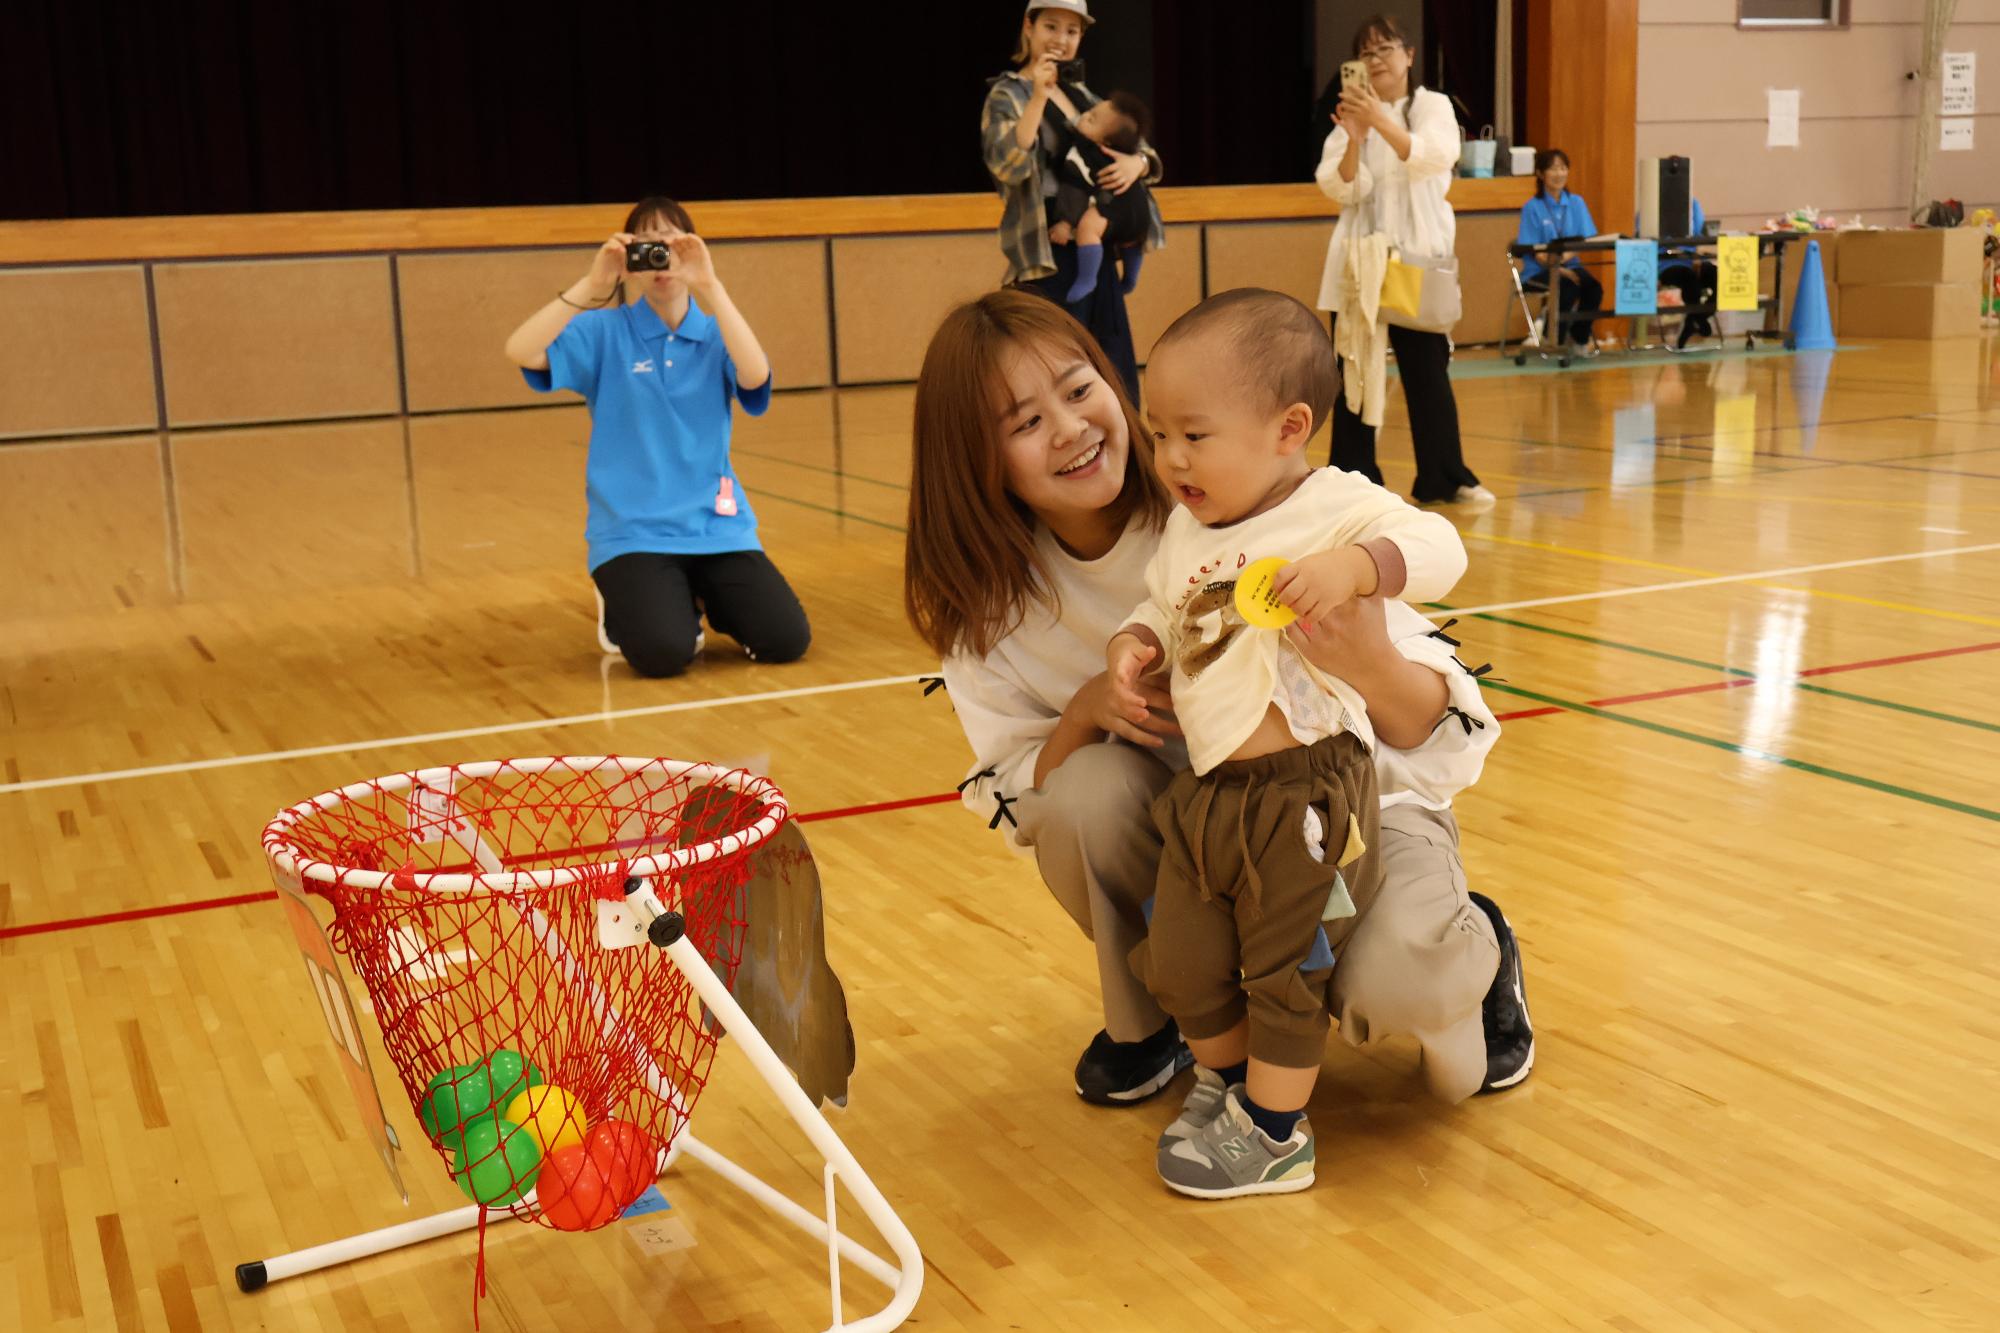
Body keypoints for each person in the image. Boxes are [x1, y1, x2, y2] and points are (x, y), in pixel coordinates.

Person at [903, 288, 1533, 1139]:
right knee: (1084, 794)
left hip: (1350, 811)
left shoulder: (1237, 491)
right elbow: (1033, 796)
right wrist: (1088, 710)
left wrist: (1368, 657)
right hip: (1206, 840)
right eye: (1023, 421)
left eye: (1079, 388)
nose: (1071, 428)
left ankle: (1473, 940)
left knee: (1403, 993)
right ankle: (1167, 1021)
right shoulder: (990, 610)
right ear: (972, 458)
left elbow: (1430, 720)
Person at [1103, 290, 1472, 1198]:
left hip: (1308, 790)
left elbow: (1439, 546)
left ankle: (1275, 1133)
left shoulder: (1332, 504)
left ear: (1288, 427)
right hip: (1211, 792)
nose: (1169, 458)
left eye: (1194, 434)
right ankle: (1227, 1084)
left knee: (1285, 964)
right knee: (1183, 959)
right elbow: (1164, 602)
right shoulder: (1188, 530)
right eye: (1158, 435)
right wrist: (1135, 643)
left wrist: (1354, 569)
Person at [503, 196, 809, 679]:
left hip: (716, 526)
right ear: (630, 259)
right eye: (647, 243)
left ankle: (701, 596)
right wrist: (593, 283)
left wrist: (710, 285)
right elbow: (520, 348)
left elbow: (754, 375)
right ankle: (629, 600)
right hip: (632, 531)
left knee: (786, 639)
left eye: (671, 241)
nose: (660, 256)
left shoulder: (715, 333)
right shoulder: (603, 331)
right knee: (664, 654)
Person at [1315, 13, 1493, 511]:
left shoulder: (1430, 105)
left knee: (1426, 371)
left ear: (1409, 54)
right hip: (1359, 262)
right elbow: (1342, 187)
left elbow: (1433, 157)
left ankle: (1445, 475)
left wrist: (1380, 123)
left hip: (1412, 261)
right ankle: (1355, 478)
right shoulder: (1352, 115)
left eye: (1386, 49)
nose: (1377, 61)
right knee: (1354, 367)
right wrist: (1355, 137)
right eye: (1366, 54)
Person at [980, 0, 1165, 401]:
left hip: (1095, 248)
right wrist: (1036, 98)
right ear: (1028, 27)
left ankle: (1124, 459)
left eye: (1072, 31)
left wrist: (1137, 162)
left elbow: (1148, 154)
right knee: (1057, 375)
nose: (1061, 40)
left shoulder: (1083, 94)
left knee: (1112, 368)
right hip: (1047, 252)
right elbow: (1008, 167)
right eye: (1051, 27)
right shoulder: (1005, 94)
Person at [1045, 92, 1155, 301]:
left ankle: (1087, 278)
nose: (1084, 115)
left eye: (1092, 119)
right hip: (1141, 212)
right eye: (1089, 112)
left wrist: (1066, 224)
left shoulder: (1081, 154)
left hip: (1113, 210)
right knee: (1130, 241)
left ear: (1104, 139)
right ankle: (1131, 277)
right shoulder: (1127, 152)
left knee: (1088, 226)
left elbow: (1074, 191)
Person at [1514, 148, 1604, 352]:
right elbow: (1535, 251)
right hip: (1539, 270)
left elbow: (1584, 240)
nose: (1559, 174)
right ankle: (1554, 339)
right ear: (1540, 173)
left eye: (1563, 168)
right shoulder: (1532, 207)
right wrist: (1559, 269)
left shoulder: (1576, 203)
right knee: (1567, 287)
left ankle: (1579, 337)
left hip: (1570, 263)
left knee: (1593, 288)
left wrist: (1565, 262)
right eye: (1553, 169)